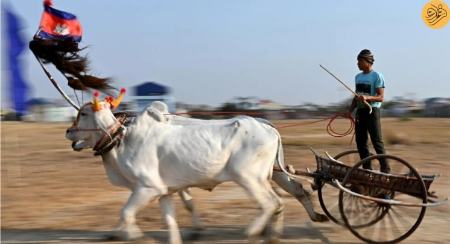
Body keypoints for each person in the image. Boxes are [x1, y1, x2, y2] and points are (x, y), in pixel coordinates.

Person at [349, 49, 390, 173]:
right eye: (357, 61)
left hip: (372, 112)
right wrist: (350, 110)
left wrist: (367, 97)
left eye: (360, 61)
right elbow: (356, 97)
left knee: (377, 142)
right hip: (360, 113)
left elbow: (381, 97)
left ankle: (386, 170)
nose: (357, 64)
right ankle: (367, 170)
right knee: (361, 143)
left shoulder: (377, 76)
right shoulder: (358, 77)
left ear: (368, 61)